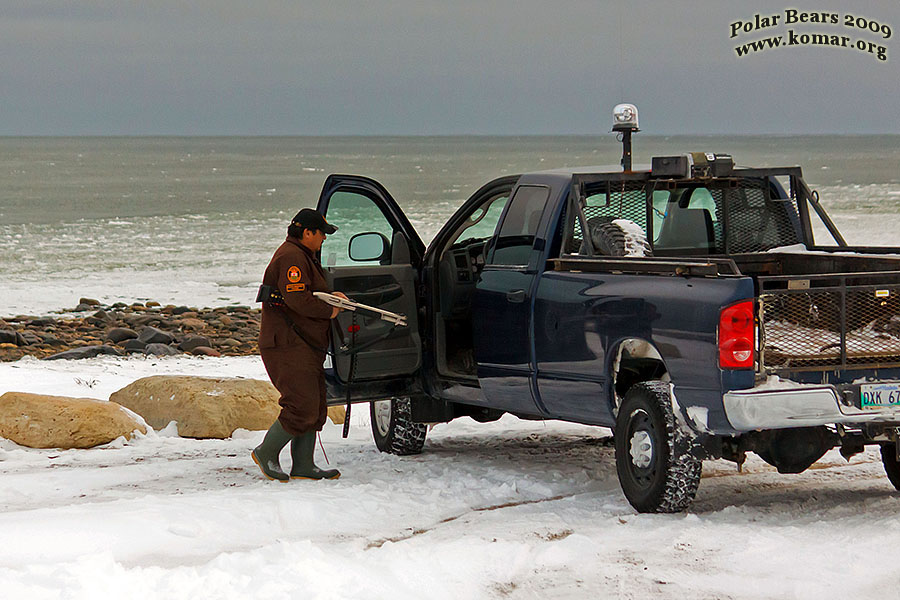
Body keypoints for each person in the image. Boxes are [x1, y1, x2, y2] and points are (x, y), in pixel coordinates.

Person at [252, 208, 348, 482]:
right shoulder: (292, 256)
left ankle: (304, 464)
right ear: (308, 232)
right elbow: (298, 299)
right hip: (286, 345)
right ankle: (266, 452)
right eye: (322, 234)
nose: (324, 240)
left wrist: (332, 296)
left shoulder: (304, 255)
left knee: (315, 404)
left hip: (302, 344)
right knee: (301, 404)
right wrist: (328, 310)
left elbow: (309, 291)